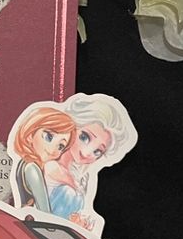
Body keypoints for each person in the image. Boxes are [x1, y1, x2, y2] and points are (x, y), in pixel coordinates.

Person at [43, 94, 136, 230]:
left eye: (97, 151)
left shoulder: (81, 177)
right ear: (73, 124)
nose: (86, 153)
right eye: (84, 137)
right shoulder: (52, 167)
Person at [12, 106, 76, 213]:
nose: (53, 149)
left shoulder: (24, 163)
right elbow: (44, 211)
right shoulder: (32, 168)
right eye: (49, 137)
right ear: (30, 135)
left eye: (60, 146)